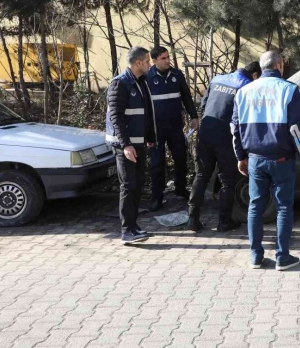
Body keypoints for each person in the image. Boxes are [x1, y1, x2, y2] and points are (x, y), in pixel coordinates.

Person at [232, 51, 300, 271]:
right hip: (281, 159)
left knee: (255, 206)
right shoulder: (289, 90)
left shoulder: (243, 91)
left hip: (255, 159)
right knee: (284, 207)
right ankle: (282, 257)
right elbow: (295, 129)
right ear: (278, 65)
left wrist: (240, 157)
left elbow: (235, 128)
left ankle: (256, 257)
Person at [187, 61, 262, 232]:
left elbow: (204, 106)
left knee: (201, 176)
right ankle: (224, 221)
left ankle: (192, 218)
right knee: (227, 181)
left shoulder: (217, 79)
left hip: (205, 133)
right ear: (255, 75)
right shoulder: (248, 86)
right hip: (226, 137)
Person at [106, 46, 157, 245]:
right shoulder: (120, 83)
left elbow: (146, 113)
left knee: (136, 185)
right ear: (138, 63)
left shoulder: (141, 82)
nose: (149, 64)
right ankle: (127, 231)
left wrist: (150, 136)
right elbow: (116, 117)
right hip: (124, 146)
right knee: (128, 186)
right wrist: (126, 145)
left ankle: (134, 226)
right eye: (147, 61)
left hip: (139, 143)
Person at [146, 46, 199, 211]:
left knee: (181, 159)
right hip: (156, 129)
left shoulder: (177, 75)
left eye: (168, 57)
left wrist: (194, 116)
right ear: (154, 61)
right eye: (163, 58)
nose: (168, 60)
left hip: (175, 127)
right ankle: (157, 197)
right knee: (157, 163)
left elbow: (186, 97)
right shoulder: (147, 77)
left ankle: (181, 189)